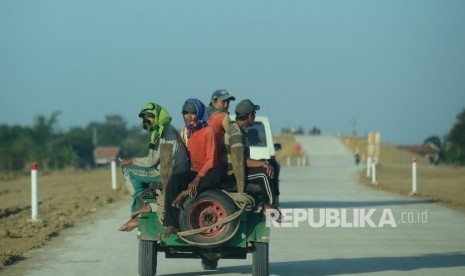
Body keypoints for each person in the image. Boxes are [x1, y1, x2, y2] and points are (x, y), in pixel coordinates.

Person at [118, 102, 189, 232]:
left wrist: (132, 160)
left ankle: (143, 205)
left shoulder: (165, 133)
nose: (148, 120)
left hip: (169, 174)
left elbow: (151, 161)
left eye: (150, 117)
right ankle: (146, 207)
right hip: (174, 171)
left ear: (157, 116)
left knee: (127, 169)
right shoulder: (165, 129)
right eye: (145, 118)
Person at [163, 98, 224, 236]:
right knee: (173, 181)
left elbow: (210, 161)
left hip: (210, 171)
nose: (188, 117)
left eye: (192, 113)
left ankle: (185, 193)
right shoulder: (190, 133)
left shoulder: (209, 131)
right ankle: (172, 224)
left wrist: (196, 180)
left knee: (217, 174)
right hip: (195, 171)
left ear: (200, 113)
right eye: (185, 113)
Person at [223, 99, 280, 220]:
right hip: (233, 174)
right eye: (254, 114)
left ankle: (271, 203)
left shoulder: (240, 131)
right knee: (264, 174)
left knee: (272, 163)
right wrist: (262, 164)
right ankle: (268, 206)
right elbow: (238, 161)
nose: (254, 116)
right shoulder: (236, 133)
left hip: (240, 168)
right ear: (250, 116)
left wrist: (264, 162)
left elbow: (243, 159)